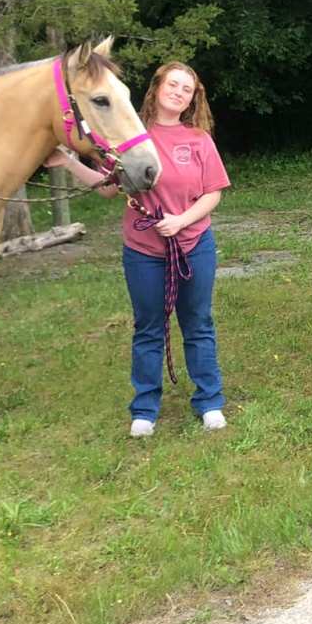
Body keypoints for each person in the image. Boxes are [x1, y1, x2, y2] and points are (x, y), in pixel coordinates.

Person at [64, 61, 232, 435]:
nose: (178, 92)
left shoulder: (199, 139)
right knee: (149, 328)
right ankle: (144, 409)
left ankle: (209, 402)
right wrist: (65, 162)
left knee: (198, 323)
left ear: (192, 100)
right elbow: (110, 187)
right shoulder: (130, 136)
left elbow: (213, 192)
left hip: (193, 245)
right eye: (173, 84)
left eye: (186, 89)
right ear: (156, 88)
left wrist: (181, 221)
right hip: (144, 251)